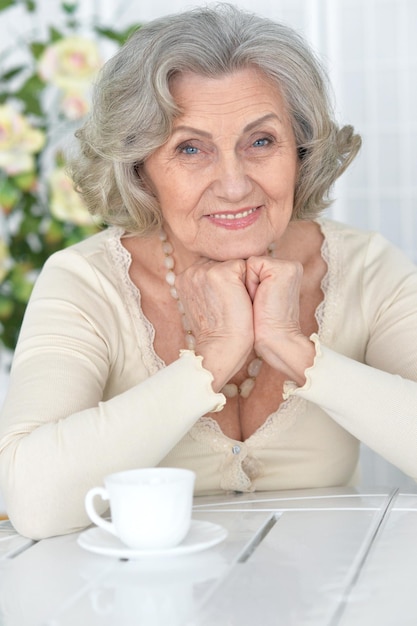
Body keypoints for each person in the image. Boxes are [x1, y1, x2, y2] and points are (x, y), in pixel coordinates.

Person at [1, 3, 417, 541]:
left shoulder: (366, 267)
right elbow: (31, 499)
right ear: (139, 169)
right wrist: (213, 359)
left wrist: (296, 349)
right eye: (190, 148)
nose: (235, 183)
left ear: (302, 150)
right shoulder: (85, 281)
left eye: (261, 141)